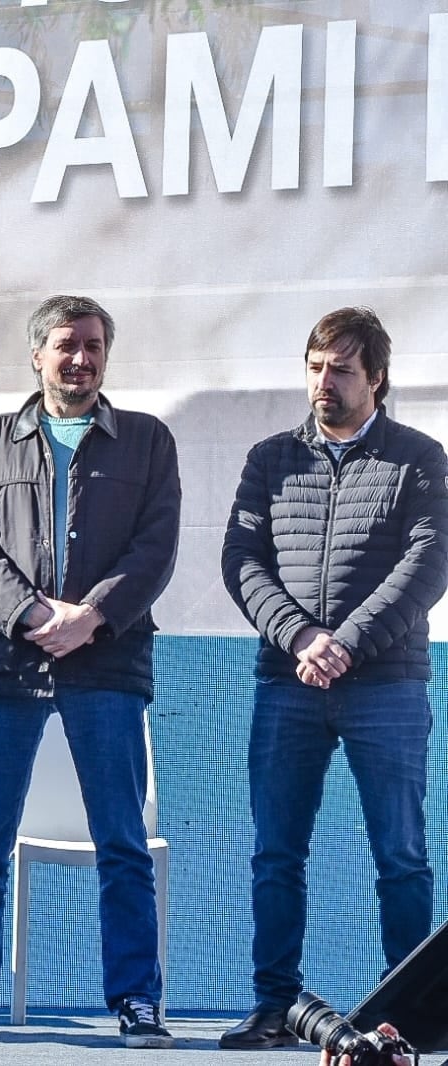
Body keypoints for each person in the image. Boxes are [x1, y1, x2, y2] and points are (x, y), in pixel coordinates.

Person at [0, 295, 180, 1049]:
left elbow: (155, 548)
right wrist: (33, 615)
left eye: (93, 345)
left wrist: (89, 618)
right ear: (35, 356)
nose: (80, 357)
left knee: (122, 842)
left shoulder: (145, 441)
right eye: (66, 344)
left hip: (107, 662)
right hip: (3, 662)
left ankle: (136, 1000)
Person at [218, 306, 448, 1051]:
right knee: (276, 853)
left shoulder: (418, 458)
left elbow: (427, 564)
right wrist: (300, 638)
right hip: (286, 683)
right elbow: (241, 564)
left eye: (341, 369)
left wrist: (344, 643)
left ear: (375, 377)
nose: (324, 381)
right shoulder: (267, 459)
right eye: (315, 366)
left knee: (400, 857)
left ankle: (406, 1017)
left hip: (387, 685)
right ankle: (273, 1005)